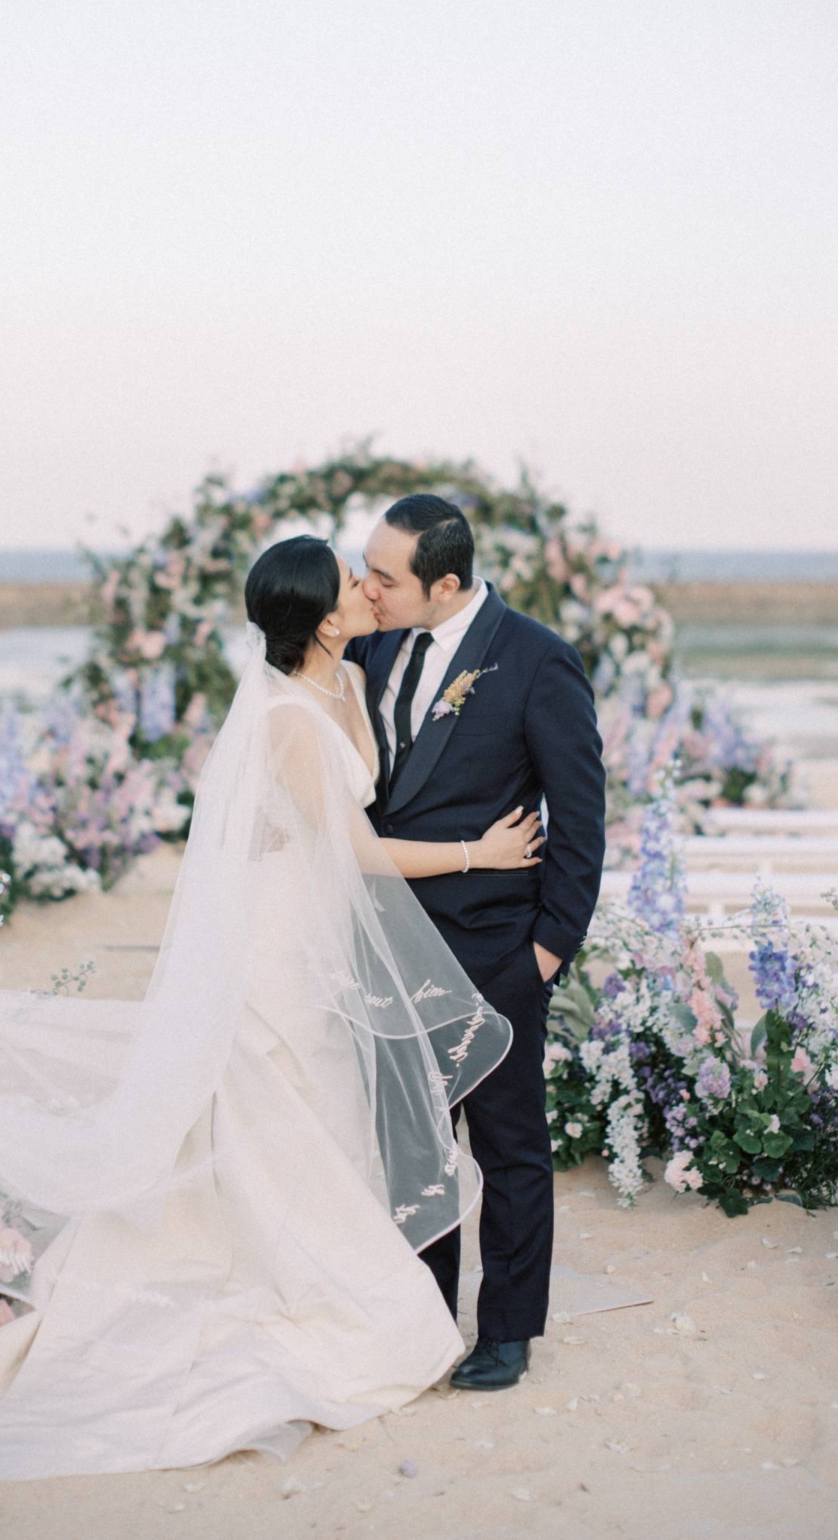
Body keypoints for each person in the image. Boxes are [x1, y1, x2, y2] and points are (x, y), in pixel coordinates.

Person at [0, 535, 573, 1484]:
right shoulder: (285, 721)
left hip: (329, 936)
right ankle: (303, 1276)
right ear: (317, 618)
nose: (366, 586)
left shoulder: (355, 676)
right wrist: (481, 853)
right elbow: (354, 850)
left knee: (326, 1105)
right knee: (279, 1098)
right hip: (280, 940)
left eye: (372, 572)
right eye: (353, 581)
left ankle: (348, 1264)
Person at [347, 494, 607, 1391]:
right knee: (411, 1150)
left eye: (386, 577)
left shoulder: (536, 660)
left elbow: (580, 816)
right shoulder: (371, 647)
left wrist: (547, 952)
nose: (368, 588)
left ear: (445, 583)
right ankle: (423, 1323)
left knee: (509, 1149)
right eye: (367, 568)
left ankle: (506, 1331)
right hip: (389, 946)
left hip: (496, 951)